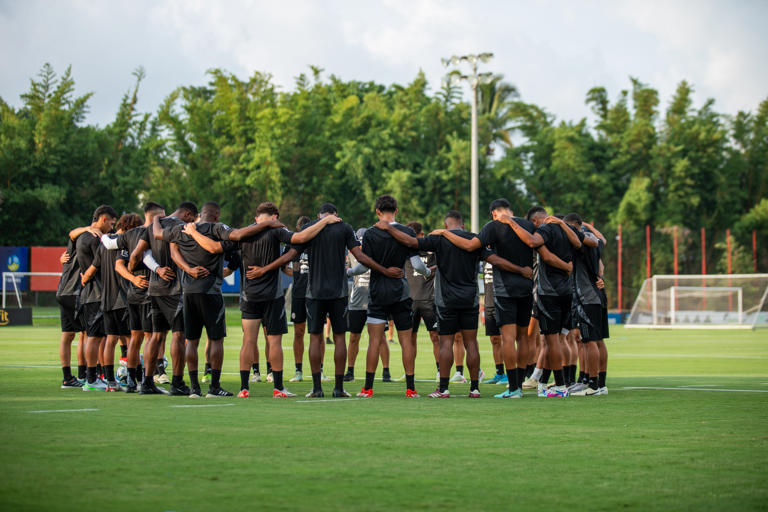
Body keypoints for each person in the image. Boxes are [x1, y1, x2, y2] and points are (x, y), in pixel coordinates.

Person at [185, 201, 341, 398]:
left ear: (256, 218)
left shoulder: (242, 234)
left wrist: (192, 233)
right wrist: (325, 221)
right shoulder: (277, 230)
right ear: (274, 216)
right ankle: (278, 388)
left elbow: (216, 248)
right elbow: (302, 237)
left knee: (248, 341)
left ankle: (244, 388)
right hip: (272, 296)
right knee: (274, 341)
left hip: (249, 295)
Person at [377, 210, 521, 398]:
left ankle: (443, 389)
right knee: (471, 343)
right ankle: (475, 388)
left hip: (446, 300)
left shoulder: (439, 238)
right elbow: (494, 260)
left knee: (446, 342)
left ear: (446, 225)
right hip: (469, 299)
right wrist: (520, 269)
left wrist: (388, 227)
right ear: (462, 225)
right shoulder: (474, 239)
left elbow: (411, 242)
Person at [292, 202, 400, 398]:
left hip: (314, 292)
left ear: (319, 215)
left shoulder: (309, 228)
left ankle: (317, 388)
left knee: (315, 337)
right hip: (338, 292)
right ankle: (339, 388)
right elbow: (360, 256)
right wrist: (384, 270)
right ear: (336, 214)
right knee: (340, 337)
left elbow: (292, 254)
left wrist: (266, 268)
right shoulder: (344, 228)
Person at [354, 195, 431, 399]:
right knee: (406, 341)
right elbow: (416, 265)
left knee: (374, 341)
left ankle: (368, 388)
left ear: (377, 211)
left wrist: (347, 273)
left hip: (378, 291)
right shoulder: (406, 231)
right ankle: (411, 389)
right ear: (396, 210)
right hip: (401, 292)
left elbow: (363, 265)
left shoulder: (370, 233)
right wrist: (428, 273)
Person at [500, 211, 583, 397]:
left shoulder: (545, 229)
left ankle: (560, 387)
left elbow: (533, 243)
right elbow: (578, 243)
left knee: (551, 341)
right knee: (557, 340)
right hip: (567, 291)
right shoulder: (566, 229)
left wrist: (510, 223)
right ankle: (546, 382)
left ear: (536, 221)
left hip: (549, 292)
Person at [129, 201, 198, 395]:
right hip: (176, 288)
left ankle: (147, 382)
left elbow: (136, 255)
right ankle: (177, 382)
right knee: (178, 334)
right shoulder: (182, 227)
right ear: (187, 214)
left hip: (154, 288)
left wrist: (139, 270)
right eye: (193, 218)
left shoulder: (152, 226)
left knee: (155, 336)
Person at [101, 202, 165, 392]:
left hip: (133, 293)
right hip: (148, 290)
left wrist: (132, 279)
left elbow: (117, 260)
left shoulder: (129, 235)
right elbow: (121, 263)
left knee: (135, 338)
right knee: (151, 337)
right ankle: (147, 381)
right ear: (153, 216)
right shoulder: (154, 233)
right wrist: (137, 279)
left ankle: (130, 381)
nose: (165, 219)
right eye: (163, 216)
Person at [81, 213, 142, 391]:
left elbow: (93, 269)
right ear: (131, 228)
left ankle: (110, 381)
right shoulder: (126, 242)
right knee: (132, 339)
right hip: (122, 298)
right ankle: (134, 379)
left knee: (110, 339)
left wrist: (83, 279)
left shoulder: (104, 244)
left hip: (105, 299)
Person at [77, 205, 118, 391]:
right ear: (103, 219)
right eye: (111, 223)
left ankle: (93, 377)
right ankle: (91, 379)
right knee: (94, 338)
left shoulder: (81, 237)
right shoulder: (95, 239)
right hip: (96, 293)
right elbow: (97, 266)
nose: (112, 227)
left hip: (90, 293)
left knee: (95, 337)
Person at [57, 226, 96, 388]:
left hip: (63, 291)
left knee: (68, 335)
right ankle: (85, 375)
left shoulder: (75, 244)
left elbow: (72, 235)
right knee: (87, 334)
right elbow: (71, 233)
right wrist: (89, 228)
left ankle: (68, 377)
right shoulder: (88, 239)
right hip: (75, 292)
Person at [403, 221, 441, 381]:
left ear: (421, 236)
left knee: (435, 337)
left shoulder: (432, 251)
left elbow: (441, 265)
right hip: (410, 299)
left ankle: (440, 370)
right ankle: (409, 372)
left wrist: (431, 269)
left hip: (429, 299)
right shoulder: (405, 251)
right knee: (410, 337)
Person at [287, 216, 311, 382]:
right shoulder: (292, 244)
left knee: (316, 333)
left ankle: (321, 369)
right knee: (299, 332)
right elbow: (283, 266)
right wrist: (297, 275)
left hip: (315, 293)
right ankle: (298, 370)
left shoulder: (316, 243)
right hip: (298, 293)